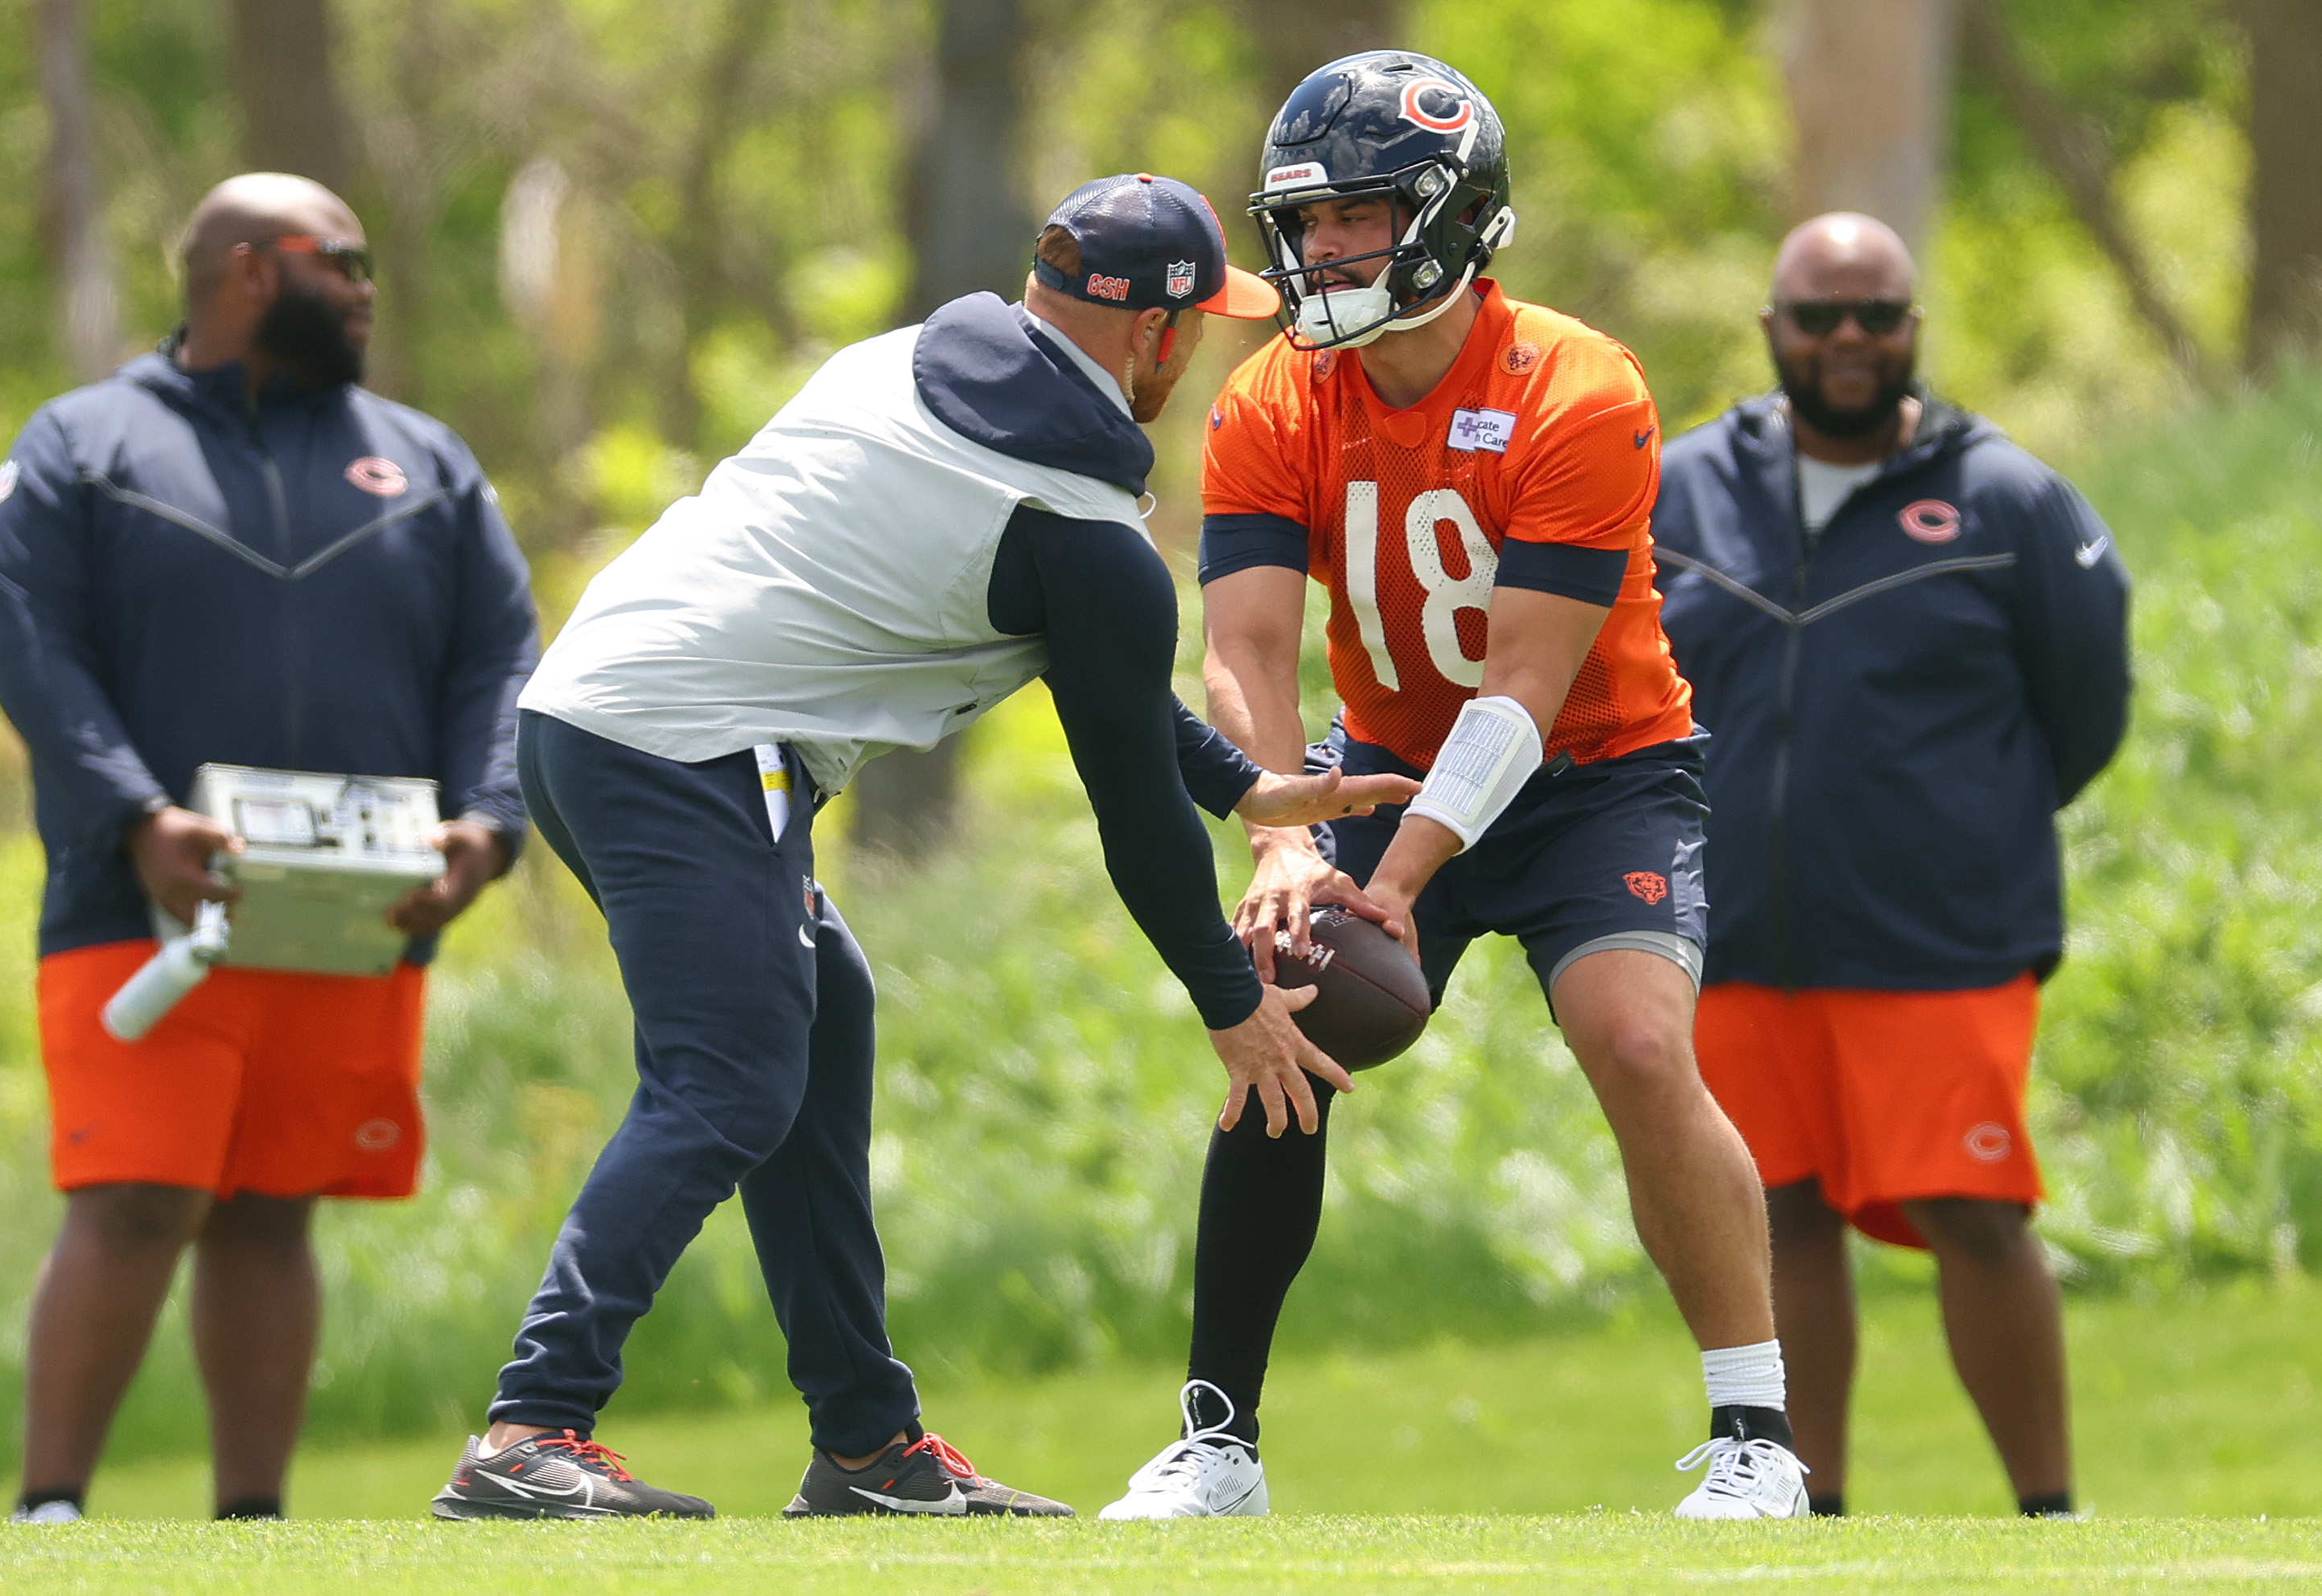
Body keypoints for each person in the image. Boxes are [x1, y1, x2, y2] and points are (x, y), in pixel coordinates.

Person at [427, 172, 1420, 1522]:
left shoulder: (895, 361)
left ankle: (866, 1448)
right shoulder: (1081, 526)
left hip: (594, 712)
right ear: (1160, 336)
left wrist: (1246, 788)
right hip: (689, 750)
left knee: (818, 1015)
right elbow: (1127, 799)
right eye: (1196, 336)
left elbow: (1108, 688)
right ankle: (530, 1428)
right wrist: (1232, 1001)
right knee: (726, 1080)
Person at [1098, 53, 1807, 1523]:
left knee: (1632, 1038)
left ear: (1455, 215)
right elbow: (1242, 642)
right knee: (1278, 1018)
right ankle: (1217, 1441)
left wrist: (1401, 880)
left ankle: (1757, 1436)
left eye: (1362, 213)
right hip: (1371, 762)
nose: (1326, 247)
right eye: (1309, 217)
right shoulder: (1273, 397)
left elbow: (1526, 692)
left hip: (1594, 768)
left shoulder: (1577, 381)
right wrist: (1286, 831)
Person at [0, 173, 540, 1523]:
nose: (364, 288)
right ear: (244, 267)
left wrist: (488, 824)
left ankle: (253, 1530)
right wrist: (132, 814)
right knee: (137, 1194)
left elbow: (499, 658)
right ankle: (50, 1513)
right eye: (339, 261)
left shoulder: (428, 462)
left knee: (279, 1202)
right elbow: (25, 636)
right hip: (147, 903)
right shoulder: (82, 444)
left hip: (361, 910)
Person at [1650, 214, 2131, 1518]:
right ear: (1772, 331)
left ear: (1914, 327)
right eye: (1821, 316)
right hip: (1732, 928)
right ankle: (1816, 1520)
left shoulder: (2009, 500)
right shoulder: (1679, 488)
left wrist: (1952, 828)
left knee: (1971, 1209)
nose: (1849, 340)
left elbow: (2086, 707)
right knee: (1781, 1219)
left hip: (1939, 940)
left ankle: (2051, 1516)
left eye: (1878, 315)